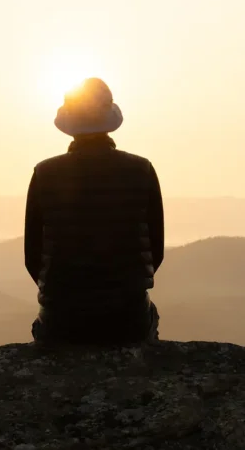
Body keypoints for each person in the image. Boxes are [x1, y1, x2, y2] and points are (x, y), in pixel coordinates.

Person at [24, 77, 164, 346]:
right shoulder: (142, 170)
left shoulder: (44, 174)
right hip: (128, 320)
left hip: (61, 321)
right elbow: (154, 253)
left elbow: (33, 258)